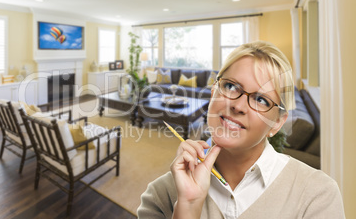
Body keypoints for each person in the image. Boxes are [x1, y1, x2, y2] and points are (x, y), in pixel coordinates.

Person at [137, 41, 345, 218]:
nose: (237, 106)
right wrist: (188, 208)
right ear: (213, 94)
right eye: (230, 87)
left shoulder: (318, 195)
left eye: (261, 99)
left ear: (277, 123)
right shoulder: (160, 195)